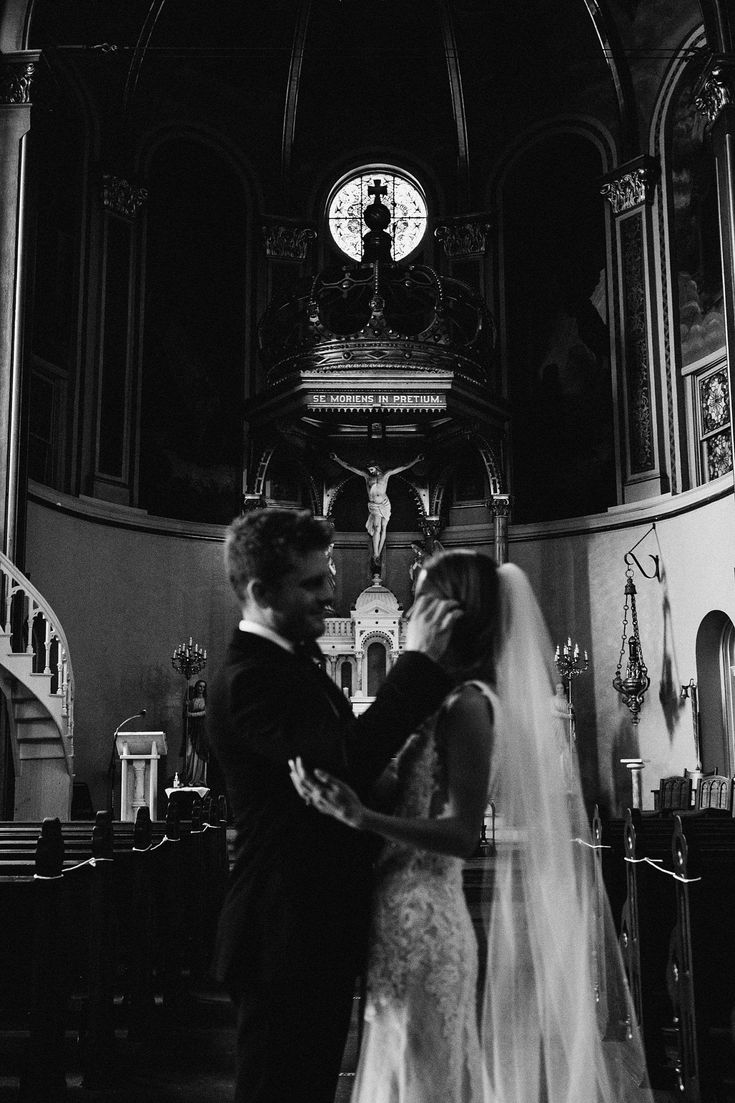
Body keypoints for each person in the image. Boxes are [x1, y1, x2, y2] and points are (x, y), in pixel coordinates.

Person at [293, 549, 653, 1103]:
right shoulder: (439, 700)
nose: (412, 612)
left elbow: (462, 833)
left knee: (424, 1078)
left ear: (450, 614)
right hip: (396, 909)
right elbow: (415, 796)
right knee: (401, 1071)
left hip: (426, 914)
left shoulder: (469, 705)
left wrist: (362, 816)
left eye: (424, 599)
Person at [207, 507, 460, 1103]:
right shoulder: (250, 680)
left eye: (328, 579)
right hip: (280, 932)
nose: (329, 595)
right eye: (314, 582)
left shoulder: (293, 664)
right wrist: (419, 662)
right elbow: (344, 763)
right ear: (261, 591)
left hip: (310, 928)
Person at [330, 452, 424, 560]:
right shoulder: (367, 477)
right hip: (374, 505)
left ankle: (378, 552)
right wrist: (337, 459)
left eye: (372, 469)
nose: (370, 471)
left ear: (377, 468)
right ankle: (376, 553)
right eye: (369, 469)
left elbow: (403, 467)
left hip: (384, 503)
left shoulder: (386, 475)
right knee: (377, 527)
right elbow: (350, 467)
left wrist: (416, 460)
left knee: (384, 528)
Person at [182, 678, 208, 785]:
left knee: (200, 752)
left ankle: (199, 778)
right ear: (196, 687)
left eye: (203, 687)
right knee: (189, 753)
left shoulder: (206, 700)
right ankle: (189, 776)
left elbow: (205, 713)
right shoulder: (191, 701)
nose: (201, 689)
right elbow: (185, 715)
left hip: (202, 730)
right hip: (192, 730)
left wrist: (191, 714)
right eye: (199, 686)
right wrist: (186, 706)